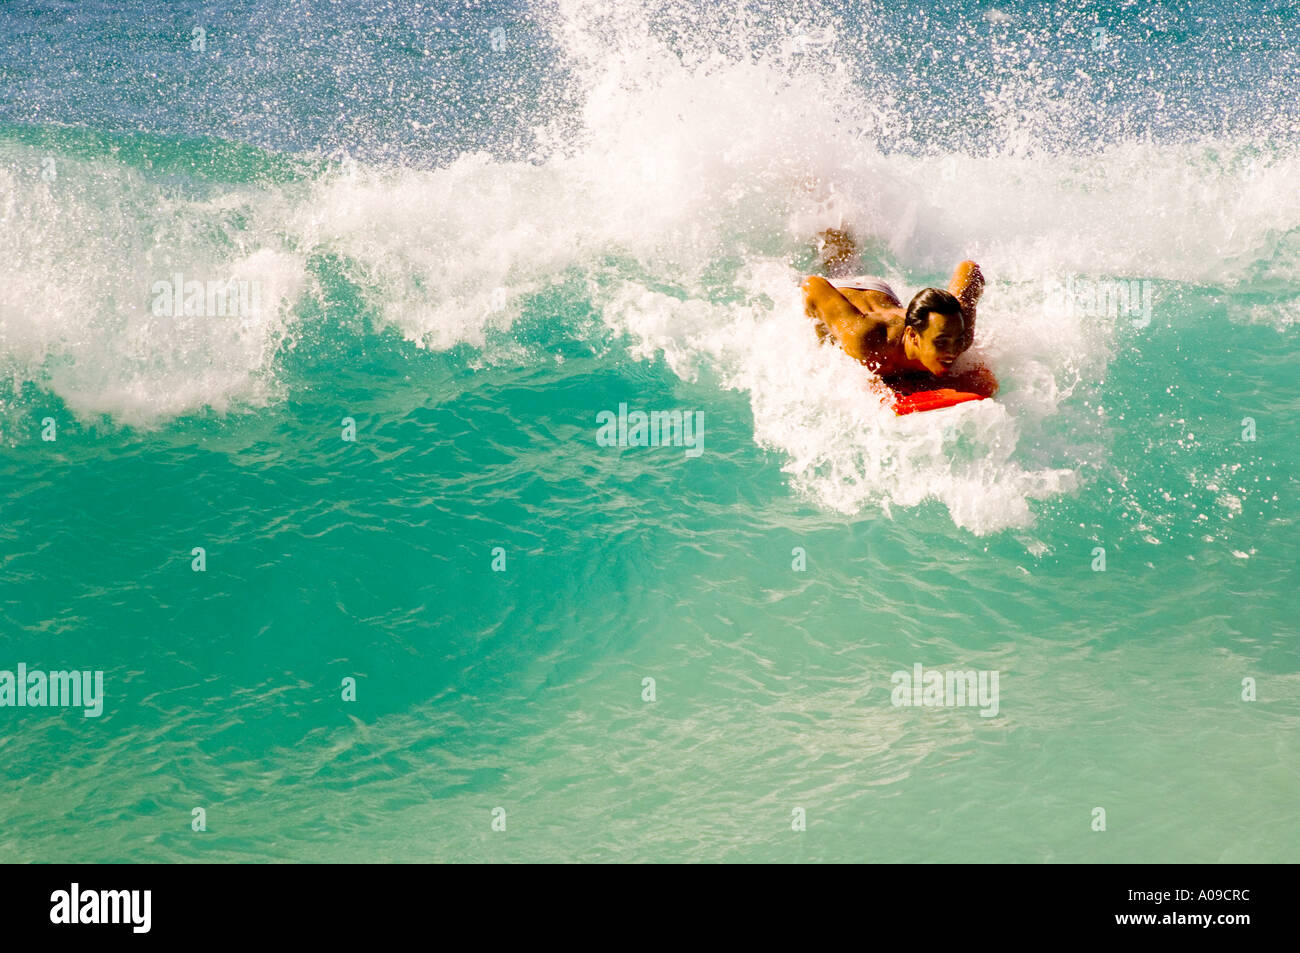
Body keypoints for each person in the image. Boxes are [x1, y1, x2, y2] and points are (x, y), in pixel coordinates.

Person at [801, 227, 997, 395]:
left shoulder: (958, 335)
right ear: (912, 335)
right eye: (941, 343)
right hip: (840, 290)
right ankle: (824, 217)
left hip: (878, 289)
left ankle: (839, 224)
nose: (952, 352)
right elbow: (812, 285)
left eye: (956, 341)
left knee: (846, 262)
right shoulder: (865, 341)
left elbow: (970, 270)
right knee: (836, 259)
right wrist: (821, 343)